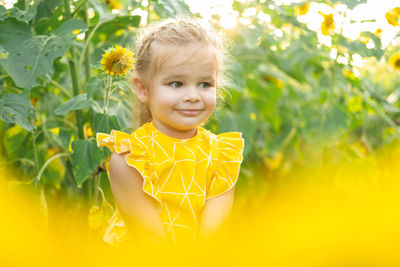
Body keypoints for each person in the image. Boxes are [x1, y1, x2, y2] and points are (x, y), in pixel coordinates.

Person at [96, 18, 244, 247]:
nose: (193, 95)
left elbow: (213, 236)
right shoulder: (129, 158)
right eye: (176, 84)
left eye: (205, 84)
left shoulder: (222, 155)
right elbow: (150, 238)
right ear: (143, 89)